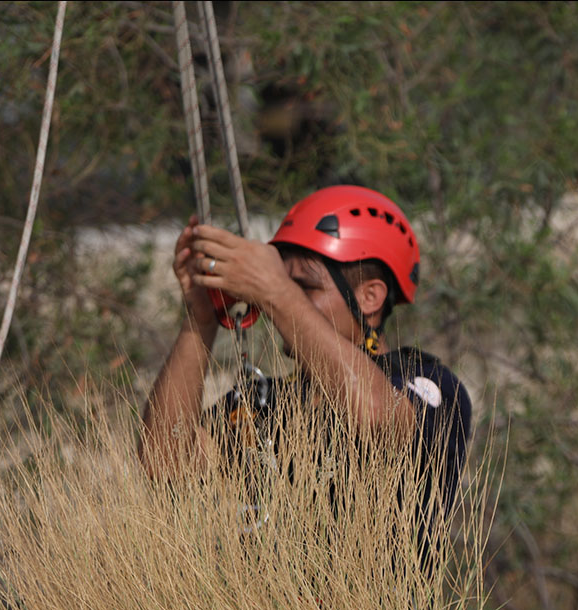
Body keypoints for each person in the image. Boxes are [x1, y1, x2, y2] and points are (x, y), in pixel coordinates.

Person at [139, 185, 470, 520]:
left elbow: (374, 417)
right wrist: (202, 318)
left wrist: (277, 291)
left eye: (305, 287)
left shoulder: (431, 384)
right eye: (283, 282)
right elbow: (163, 462)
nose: (280, 299)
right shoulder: (267, 402)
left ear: (370, 297)